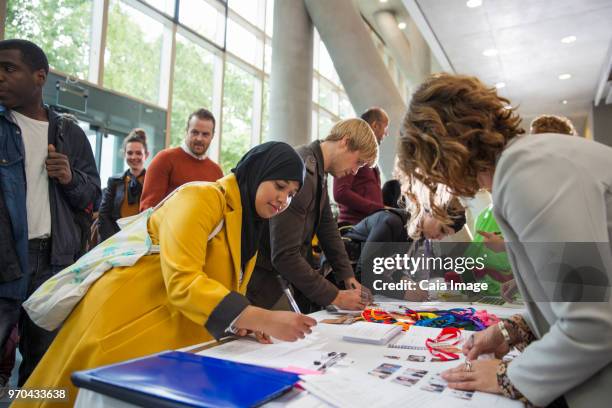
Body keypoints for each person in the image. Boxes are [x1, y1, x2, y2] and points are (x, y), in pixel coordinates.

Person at [15, 142, 317, 408]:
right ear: (257, 171)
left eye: (291, 194)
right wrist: (260, 317)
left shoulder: (249, 224)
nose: (283, 200)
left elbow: (218, 284)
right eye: (279, 186)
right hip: (125, 319)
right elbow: (183, 280)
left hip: (166, 332)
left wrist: (241, 322)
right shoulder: (203, 197)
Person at [397, 73, 612, 407]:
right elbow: (578, 290)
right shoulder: (528, 162)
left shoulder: (527, 171)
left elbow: (594, 321)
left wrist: (510, 376)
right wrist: (514, 328)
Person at [0, 39, 100, 387]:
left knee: (43, 367)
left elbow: (93, 196)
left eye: (8, 68)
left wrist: (70, 177)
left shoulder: (68, 132)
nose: (0, 77)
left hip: (54, 263)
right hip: (5, 257)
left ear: (39, 76)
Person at [248, 118, 378, 313]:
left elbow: (328, 229)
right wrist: (336, 296)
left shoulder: (318, 170)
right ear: (345, 142)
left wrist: (348, 276)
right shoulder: (302, 170)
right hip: (262, 286)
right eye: (358, 162)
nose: (354, 171)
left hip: (277, 281)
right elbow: (284, 255)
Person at [346, 196, 466, 301]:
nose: (440, 238)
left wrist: (405, 279)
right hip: (341, 282)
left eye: (445, 235)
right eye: (442, 230)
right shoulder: (391, 223)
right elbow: (363, 274)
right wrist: (402, 293)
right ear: (432, 212)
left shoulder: (417, 236)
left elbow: (390, 267)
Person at [139, 108, 223, 210]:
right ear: (187, 131)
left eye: (205, 134)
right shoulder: (164, 159)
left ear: (212, 136)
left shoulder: (216, 171)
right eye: (195, 132)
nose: (199, 138)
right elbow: (147, 209)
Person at [333, 107, 389, 227]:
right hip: (354, 226)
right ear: (375, 125)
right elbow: (340, 192)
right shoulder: (354, 148)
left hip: (368, 225)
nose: (386, 133)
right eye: (385, 127)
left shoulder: (366, 155)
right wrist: (377, 208)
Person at [98, 129, 149, 241]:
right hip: (116, 239)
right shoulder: (114, 181)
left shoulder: (152, 181)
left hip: (142, 239)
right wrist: (113, 240)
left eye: (138, 153)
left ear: (147, 155)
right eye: (130, 153)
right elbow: (104, 214)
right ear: (124, 154)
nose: (134, 157)